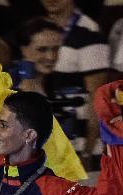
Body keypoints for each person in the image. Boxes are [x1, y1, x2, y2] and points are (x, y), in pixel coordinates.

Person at [41, 0, 110, 165]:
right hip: (49, 143)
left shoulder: (89, 33)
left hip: (79, 147)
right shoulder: (39, 29)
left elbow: (99, 97)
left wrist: (87, 150)